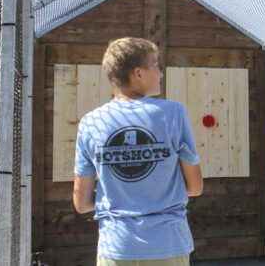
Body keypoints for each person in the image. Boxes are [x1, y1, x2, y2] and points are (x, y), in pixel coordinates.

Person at [73, 37, 203, 266]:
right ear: (138, 73)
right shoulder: (173, 113)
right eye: (156, 65)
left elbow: (81, 202)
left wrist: (120, 199)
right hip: (168, 244)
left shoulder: (90, 122)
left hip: (115, 247)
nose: (161, 72)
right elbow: (195, 187)